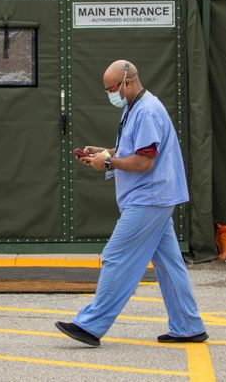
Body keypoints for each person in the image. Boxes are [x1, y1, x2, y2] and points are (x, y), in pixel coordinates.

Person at [55, 60, 208, 347]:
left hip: (149, 198)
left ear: (127, 82)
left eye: (112, 88)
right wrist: (102, 153)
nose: (110, 94)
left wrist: (108, 161)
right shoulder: (134, 108)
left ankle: (90, 325)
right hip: (155, 198)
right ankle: (188, 325)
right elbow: (132, 150)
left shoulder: (147, 111)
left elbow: (144, 162)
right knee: (169, 265)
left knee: (116, 256)